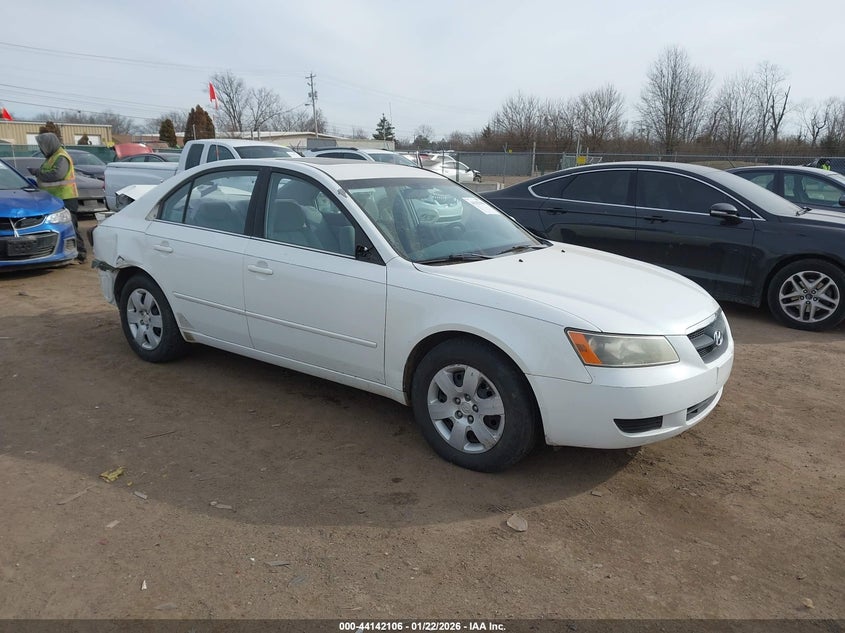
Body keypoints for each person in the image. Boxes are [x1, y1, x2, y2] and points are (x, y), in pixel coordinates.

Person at [33, 132, 86, 262]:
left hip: (66, 198)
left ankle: (80, 253)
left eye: (42, 146)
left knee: (70, 226)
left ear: (48, 145)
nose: (41, 149)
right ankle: (65, 252)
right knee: (59, 228)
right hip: (54, 199)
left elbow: (57, 175)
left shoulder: (61, 157)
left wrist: (37, 173)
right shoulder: (51, 157)